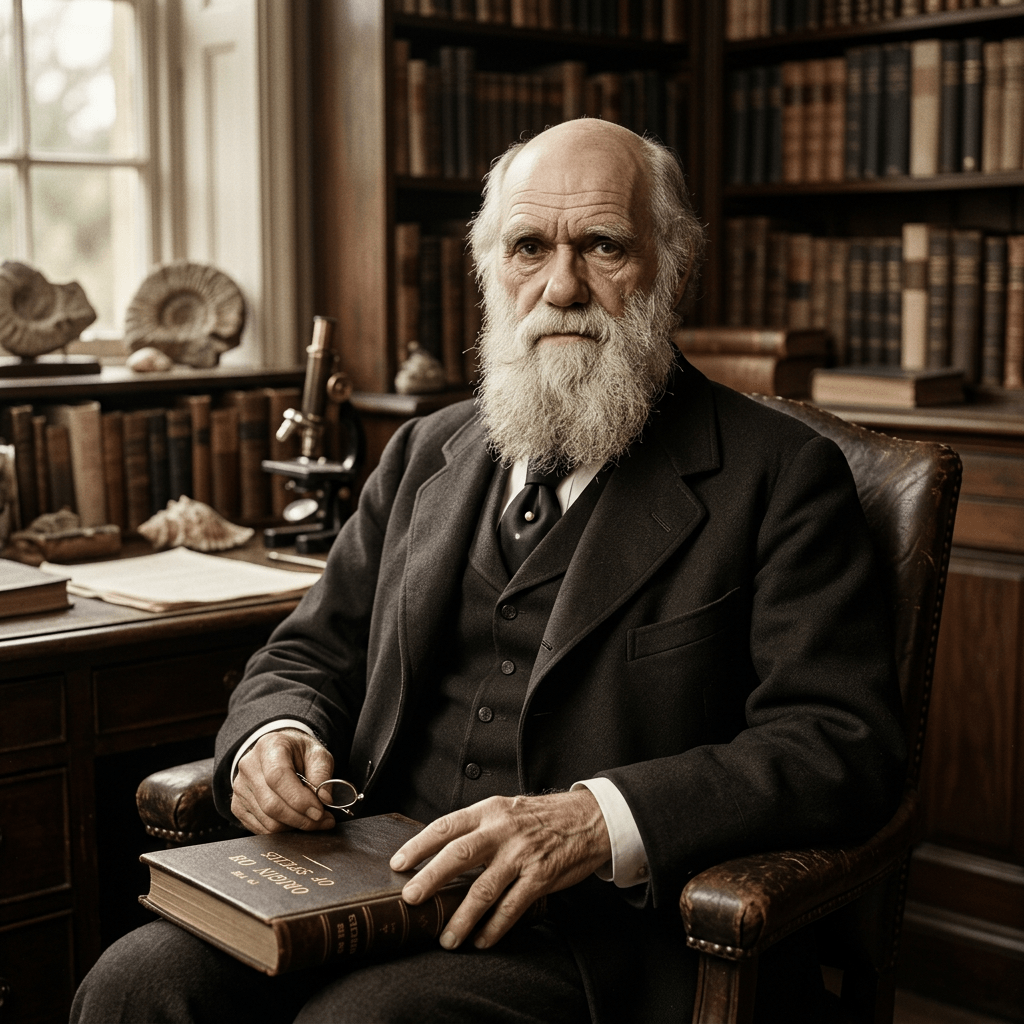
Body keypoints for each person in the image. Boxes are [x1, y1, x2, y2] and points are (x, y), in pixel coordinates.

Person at [72, 119, 905, 1024]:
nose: (562, 286)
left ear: (672, 264)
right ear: (490, 270)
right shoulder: (424, 451)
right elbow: (308, 652)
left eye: (603, 246)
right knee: (134, 984)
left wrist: (594, 820)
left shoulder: (779, 474)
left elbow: (836, 742)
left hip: (592, 933)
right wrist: (275, 734)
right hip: (362, 881)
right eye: (529, 247)